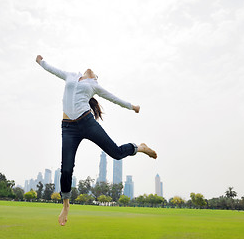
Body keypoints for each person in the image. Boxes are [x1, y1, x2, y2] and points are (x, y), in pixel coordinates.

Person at [36, 55, 157, 226]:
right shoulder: (70, 75)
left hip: (86, 122)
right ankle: (66, 205)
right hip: (68, 128)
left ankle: (139, 147)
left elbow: (114, 98)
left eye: (95, 75)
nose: (92, 72)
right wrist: (41, 62)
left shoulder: (94, 85)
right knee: (66, 169)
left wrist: (132, 106)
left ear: (94, 79)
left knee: (115, 152)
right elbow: (53, 70)